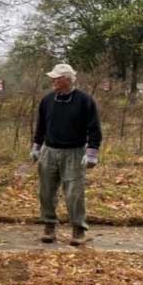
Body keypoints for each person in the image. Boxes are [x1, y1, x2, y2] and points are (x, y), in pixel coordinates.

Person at [30, 63, 102, 246]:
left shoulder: (84, 101)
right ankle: (49, 226)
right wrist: (36, 147)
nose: (53, 80)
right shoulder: (47, 101)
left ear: (68, 80)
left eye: (57, 78)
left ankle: (78, 229)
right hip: (49, 151)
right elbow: (41, 126)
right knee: (46, 192)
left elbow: (94, 129)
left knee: (74, 194)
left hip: (74, 153)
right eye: (53, 78)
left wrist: (92, 153)